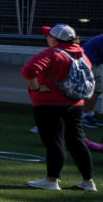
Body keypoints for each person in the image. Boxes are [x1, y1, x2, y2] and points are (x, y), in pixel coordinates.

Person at [21, 23, 98, 193]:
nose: (47, 38)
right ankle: (88, 181)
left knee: (54, 141)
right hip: (75, 104)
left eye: (48, 35)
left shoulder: (53, 53)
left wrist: (35, 88)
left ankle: (52, 180)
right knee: (76, 141)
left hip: (49, 103)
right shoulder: (82, 54)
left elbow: (29, 70)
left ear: (54, 39)